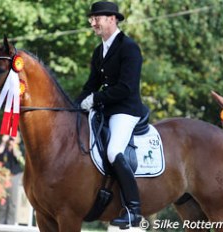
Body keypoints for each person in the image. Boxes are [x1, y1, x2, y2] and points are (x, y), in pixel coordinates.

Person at [75, 1, 148, 228]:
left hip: (126, 110)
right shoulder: (99, 51)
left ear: (113, 19)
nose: (93, 22)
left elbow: (126, 88)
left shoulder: (129, 48)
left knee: (114, 149)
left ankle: (133, 210)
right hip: (106, 110)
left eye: (98, 18)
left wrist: (96, 99)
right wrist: (73, 106)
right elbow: (90, 85)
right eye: (92, 18)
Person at [0, 134, 24, 225]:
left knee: (12, 203)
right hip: (4, 176)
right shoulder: (5, 148)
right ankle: (0, 225)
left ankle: (10, 226)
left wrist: (14, 145)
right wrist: (3, 142)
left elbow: (19, 157)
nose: (11, 138)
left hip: (15, 176)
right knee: (3, 203)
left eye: (14, 136)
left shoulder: (21, 147)